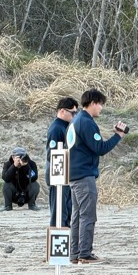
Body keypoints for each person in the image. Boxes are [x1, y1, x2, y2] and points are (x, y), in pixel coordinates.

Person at [66, 89, 127, 265]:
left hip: (75, 175)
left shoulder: (76, 121)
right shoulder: (86, 122)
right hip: (84, 175)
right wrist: (118, 135)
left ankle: (75, 253)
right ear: (92, 103)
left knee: (78, 216)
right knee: (87, 216)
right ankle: (85, 253)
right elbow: (100, 148)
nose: (101, 108)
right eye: (100, 104)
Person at [46, 97, 78, 227]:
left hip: (65, 175)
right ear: (62, 111)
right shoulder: (56, 128)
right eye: (72, 112)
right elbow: (52, 154)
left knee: (66, 211)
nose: (74, 115)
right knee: (59, 213)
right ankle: (58, 243)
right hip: (58, 176)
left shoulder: (67, 126)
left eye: (76, 112)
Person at [0, 146, 40, 211]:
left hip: (27, 192)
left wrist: (26, 166)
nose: (21, 159)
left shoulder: (31, 163)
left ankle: (32, 205)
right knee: (6, 185)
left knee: (35, 184)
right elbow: (6, 178)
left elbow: (34, 177)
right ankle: (8, 206)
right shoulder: (8, 164)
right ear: (13, 157)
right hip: (14, 193)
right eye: (19, 157)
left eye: (22, 156)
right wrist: (14, 166)